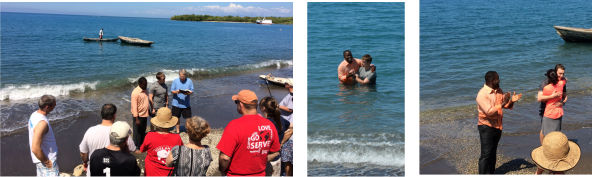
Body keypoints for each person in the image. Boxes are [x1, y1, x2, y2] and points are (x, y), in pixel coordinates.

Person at [217, 90, 281, 176]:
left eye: (236, 102)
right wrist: (260, 160)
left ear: (241, 105)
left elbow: (224, 158)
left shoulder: (234, 126)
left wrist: (222, 170)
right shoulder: (269, 125)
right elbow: (275, 151)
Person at [475, 71, 522, 174]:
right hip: (486, 127)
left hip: (497, 126)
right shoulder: (482, 94)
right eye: (497, 79)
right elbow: (489, 111)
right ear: (491, 81)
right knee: (485, 154)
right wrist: (503, 103)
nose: (499, 80)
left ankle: (491, 173)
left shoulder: (499, 90)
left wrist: (512, 101)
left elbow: (504, 106)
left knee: (493, 152)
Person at [79, 104, 136, 176]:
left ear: (101, 114)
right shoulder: (120, 131)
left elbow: (83, 152)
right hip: (117, 170)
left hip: (95, 169)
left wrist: (85, 162)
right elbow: (132, 149)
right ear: (114, 115)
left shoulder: (90, 131)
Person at [140, 107, 183, 176]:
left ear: (157, 123)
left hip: (151, 172)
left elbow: (142, 149)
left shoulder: (150, 136)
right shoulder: (177, 138)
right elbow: (181, 153)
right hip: (169, 173)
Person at [260, 96, 292, 176]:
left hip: (267, 158)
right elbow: (291, 128)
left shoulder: (264, 123)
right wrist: (281, 143)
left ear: (263, 108)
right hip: (277, 156)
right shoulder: (281, 119)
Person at [28, 95, 59, 177]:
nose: (55, 107)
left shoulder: (34, 114)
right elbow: (35, 148)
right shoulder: (42, 123)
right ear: (47, 107)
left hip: (39, 160)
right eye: (54, 106)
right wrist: (47, 161)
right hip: (47, 160)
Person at [538, 64, 567, 143]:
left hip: (557, 108)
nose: (562, 75)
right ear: (555, 72)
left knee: (556, 129)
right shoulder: (545, 83)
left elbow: (565, 95)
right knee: (543, 129)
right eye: (560, 73)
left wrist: (562, 102)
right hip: (544, 107)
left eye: (563, 73)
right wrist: (552, 96)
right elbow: (540, 97)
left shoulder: (562, 81)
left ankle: (553, 146)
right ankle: (543, 146)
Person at [278, 81, 294, 176]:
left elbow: (290, 109)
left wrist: (278, 106)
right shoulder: (290, 95)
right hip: (288, 125)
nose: (284, 83)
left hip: (289, 128)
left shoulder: (292, 96)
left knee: (287, 160)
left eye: (286, 82)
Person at [171, 69, 194, 133]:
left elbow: (192, 90)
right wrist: (177, 92)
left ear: (185, 75)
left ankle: (187, 129)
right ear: (179, 75)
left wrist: (189, 92)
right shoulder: (175, 81)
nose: (182, 78)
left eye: (183, 76)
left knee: (188, 118)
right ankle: (178, 130)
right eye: (181, 76)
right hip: (176, 103)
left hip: (186, 104)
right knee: (176, 118)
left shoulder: (189, 81)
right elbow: (172, 90)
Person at [131, 77, 151, 148]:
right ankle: (136, 146)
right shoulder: (135, 93)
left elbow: (146, 102)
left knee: (143, 129)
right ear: (139, 84)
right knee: (137, 132)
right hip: (138, 116)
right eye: (144, 85)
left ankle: (142, 143)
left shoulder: (145, 90)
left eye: (146, 84)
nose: (146, 86)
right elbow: (134, 106)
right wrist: (136, 118)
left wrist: (149, 110)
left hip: (145, 114)